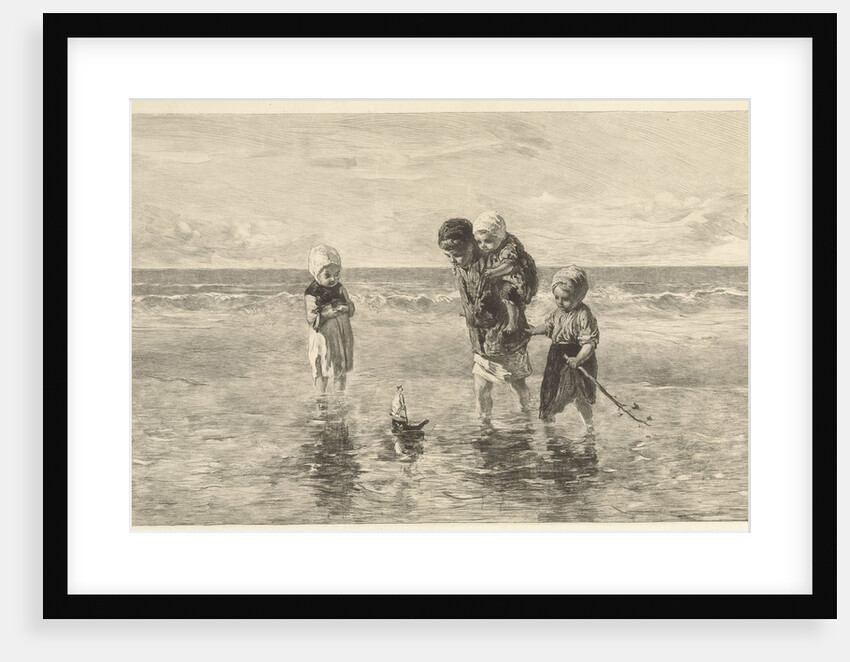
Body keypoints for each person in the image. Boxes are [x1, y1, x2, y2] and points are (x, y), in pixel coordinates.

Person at [438, 218, 534, 423]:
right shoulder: (460, 268)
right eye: (448, 256)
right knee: (481, 386)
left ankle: (527, 416)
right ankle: (484, 422)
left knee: (516, 383)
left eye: (457, 255)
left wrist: (507, 320)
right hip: (480, 340)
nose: (453, 260)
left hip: (506, 338)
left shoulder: (493, 264)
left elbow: (514, 294)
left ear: (472, 246)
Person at [527, 266, 599, 433]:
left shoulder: (584, 314)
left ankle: (589, 427)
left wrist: (578, 359)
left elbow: (589, 343)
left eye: (565, 299)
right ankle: (549, 429)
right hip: (558, 357)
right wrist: (533, 331)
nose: (560, 302)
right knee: (551, 392)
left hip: (578, 357)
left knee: (581, 396)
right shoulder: (557, 312)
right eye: (557, 297)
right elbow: (548, 326)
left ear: (579, 296)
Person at [472, 210, 538, 336]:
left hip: (519, 279)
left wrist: (494, 272)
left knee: (506, 292)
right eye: (479, 242)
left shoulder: (509, 247)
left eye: (487, 241)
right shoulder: (497, 244)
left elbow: (510, 265)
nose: (483, 245)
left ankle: (512, 322)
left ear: (499, 236)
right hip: (507, 276)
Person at [304, 244, 355, 394]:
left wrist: (347, 308)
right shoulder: (312, 293)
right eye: (327, 275)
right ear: (316, 274)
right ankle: (321, 399)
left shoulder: (340, 289)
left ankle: (340, 398)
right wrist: (328, 313)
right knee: (322, 367)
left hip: (340, 335)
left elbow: (350, 306)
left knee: (340, 367)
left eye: (337, 274)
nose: (333, 279)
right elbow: (312, 317)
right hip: (323, 337)